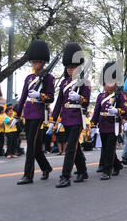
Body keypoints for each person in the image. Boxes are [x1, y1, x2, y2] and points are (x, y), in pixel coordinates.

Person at [50, 42, 90, 188]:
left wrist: (78, 98)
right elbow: (59, 102)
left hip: (77, 117)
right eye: (68, 67)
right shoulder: (63, 84)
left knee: (70, 147)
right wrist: (53, 119)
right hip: (66, 117)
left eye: (72, 67)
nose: (69, 69)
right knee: (75, 146)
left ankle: (65, 176)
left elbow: (86, 102)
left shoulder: (84, 82)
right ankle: (82, 170)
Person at [16, 40, 55, 185]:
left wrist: (40, 96)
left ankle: (28, 175)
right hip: (28, 113)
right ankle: (46, 167)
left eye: (37, 62)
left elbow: (51, 97)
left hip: (39, 113)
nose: (34, 64)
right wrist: (16, 114)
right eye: (33, 62)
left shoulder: (49, 78)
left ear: (43, 62)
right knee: (36, 147)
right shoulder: (29, 78)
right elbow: (22, 97)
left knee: (31, 145)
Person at [91, 61, 127, 179]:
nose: (108, 85)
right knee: (106, 148)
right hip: (103, 125)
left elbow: (125, 109)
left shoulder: (120, 95)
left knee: (110, 148)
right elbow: (96, 111)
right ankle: (117, 165)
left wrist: (117, 111)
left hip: (114, 125)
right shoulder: (101, 96)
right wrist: (93, 124)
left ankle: (107, 171)